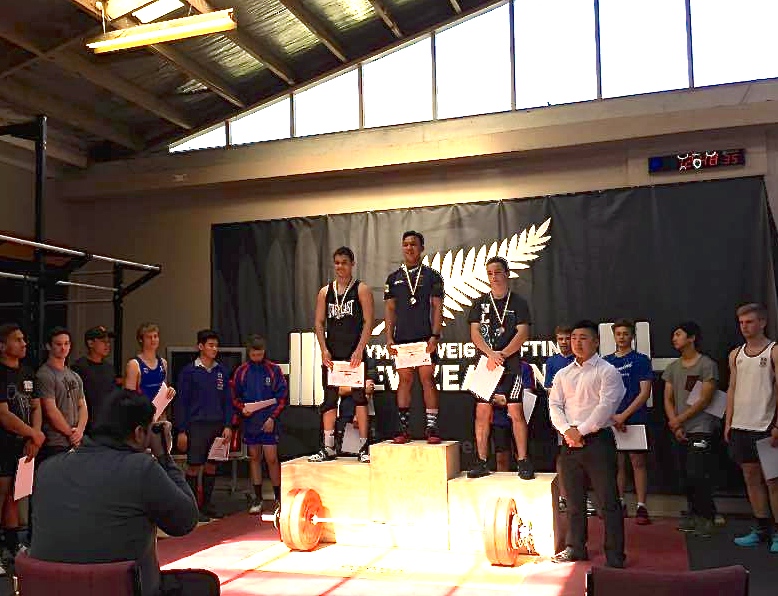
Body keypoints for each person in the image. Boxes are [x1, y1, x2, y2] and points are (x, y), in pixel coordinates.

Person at [30, 390, 219, 596]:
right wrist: (164, 457)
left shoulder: (47, 469)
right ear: (139, 433)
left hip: (51, 587)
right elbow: (185, 520)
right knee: (204, 584)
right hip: (118, 587)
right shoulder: (141, 468)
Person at [549, 320, 625, 568]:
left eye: (583, 338)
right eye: (574, 338)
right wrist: (566, 430)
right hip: (569, 441)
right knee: (573, 500)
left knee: (608, 501)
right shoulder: (563, 373)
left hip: (597, 441)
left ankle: (615, 554)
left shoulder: (607, 371)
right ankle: (575, 547)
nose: (577, 343)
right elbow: (554, 405)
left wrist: (579, 431)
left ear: (596, 342)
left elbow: (606, 408)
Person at [467, 256, 533, 479]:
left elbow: (523, 332)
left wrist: (503, 354)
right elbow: (475, 332)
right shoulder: (479, 303)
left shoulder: (518, 303)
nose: (493, 277)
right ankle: (481, 461)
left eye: (497, 272)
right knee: (482, 413)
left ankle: (523, 460)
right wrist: (490, 354)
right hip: (487, 364)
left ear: (507, 273)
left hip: (510, 364)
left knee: (515, 411)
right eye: (490, 273)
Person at [310, 247, 374, 463]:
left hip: (354, 353)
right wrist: (323, 349)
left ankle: (364, 447)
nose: (340, 267)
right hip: (333, 354)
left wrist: (359, 349)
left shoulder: (361, 289)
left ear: (352, 264)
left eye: (344, 262)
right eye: (337, 262)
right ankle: (328, 447)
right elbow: (319, 322)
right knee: (329, 399)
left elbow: (369, 322)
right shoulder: (325, 292)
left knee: (359, 398)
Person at [725, 303, 778, 551]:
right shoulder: (736, 354)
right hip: (741, 426)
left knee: (773, 481)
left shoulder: (774, 351)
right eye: (741, 323)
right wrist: (729, 422)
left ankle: (777, 532)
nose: (744, 327)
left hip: (766, 425)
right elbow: (732, 388)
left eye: (750, 322)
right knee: (751, 478)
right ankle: (761, 528)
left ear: (762, 323)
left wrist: (777, 424)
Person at [384, 231, 444, 443]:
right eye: (406, 244)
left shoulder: (432, 276)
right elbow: (390, 309)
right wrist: (389, 338)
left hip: (425, 337)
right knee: (404, 381)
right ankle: (403, 429)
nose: (409, 248)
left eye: (413, 244)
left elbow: (437, 307)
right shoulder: (393, 278)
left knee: (428, 380)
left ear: (421, 248)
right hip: (402, 339)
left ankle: (432, 428)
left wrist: (435, 335)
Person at [662, 321, 719, 538]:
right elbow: (667, 398)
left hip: (701, 427)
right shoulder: (673, 368)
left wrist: (680, 420)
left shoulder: (706, 365)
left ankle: (708, 517)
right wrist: (674, 422)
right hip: (679, 429)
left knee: (698, 474)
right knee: (685, 475)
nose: (674, 338)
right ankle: (694, 514)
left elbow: (705, 399)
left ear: (692, 338)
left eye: (679, 334)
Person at [175, 330, 234, 522]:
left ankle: (207, 504)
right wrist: (182, 430)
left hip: (217, 424)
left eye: (216, 345)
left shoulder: (221, 371)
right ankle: (192, 507)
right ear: (200, 346)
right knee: (194, 466)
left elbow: (227, 401)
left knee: (211, 466)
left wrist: (228, 425)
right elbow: (181, 403)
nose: (214, 349)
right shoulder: (189, 372)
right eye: (210, 345)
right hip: (196, 426)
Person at [0, 324, 44, 574]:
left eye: (24, 338)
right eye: (17, 339)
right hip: (3, 445)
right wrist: (33, 433)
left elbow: (36, 407)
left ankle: (12, 545)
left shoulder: (28, 372)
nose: (24, 343)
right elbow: (4, 415)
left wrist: (34, 437)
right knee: (2, 494)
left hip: (25, 445)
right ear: (2, 346)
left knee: (15, 496)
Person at [604, 319, 654, 524]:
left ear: (632, 336)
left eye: (625, 333)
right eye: (618, 334)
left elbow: (644, 393)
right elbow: (603, 393)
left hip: (635, 417)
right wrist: (612, 416)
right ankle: (620, 502)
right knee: (617, 464)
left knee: (637, 462)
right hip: (611, 419)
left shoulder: (641, 360)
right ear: (614, 336)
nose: (622, 337)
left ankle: (641, 506)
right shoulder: (606, 361)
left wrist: (624, 416)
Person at [230, 335, 288, 514]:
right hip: (251, 421)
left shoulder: (273, 370)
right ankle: (257, 498)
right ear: (249, 353)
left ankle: (278, 498)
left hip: (268, 420)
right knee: (254, 457)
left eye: (260, 354)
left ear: (264, 351)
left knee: (272, 458)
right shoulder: (242, 371)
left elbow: (282, 397)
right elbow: (234, 396)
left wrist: (272, 418)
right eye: (254, 354)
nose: (257, 357)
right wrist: (242, 409)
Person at [37, 327, 88, 462]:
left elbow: (82, 406)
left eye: (66, 343)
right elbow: (50, 411)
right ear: (49, 346)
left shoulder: (74, 375)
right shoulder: (45, 374)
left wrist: (79, 431)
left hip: (76, 441)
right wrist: (70, 433)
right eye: (58, 344)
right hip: (55, 442)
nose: (63, 348)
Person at [545, 325, 577, 513]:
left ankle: (582, 496)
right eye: (560, 339)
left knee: (583, 456)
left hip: (581, 417)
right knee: (563, 455)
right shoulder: (552, 362)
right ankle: (564, 496)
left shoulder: (580, 359)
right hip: (561, 417)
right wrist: (558, 418)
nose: (564, 342)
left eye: (567, 338)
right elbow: (551, 392)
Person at [71, 326, 117, 434]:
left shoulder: (109, 368)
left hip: (107, 426)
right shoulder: (79, 367)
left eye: (108, 342)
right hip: (87, 427)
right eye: (103, 341)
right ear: (91, 343)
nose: (107, 345)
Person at [492, 361, 536, 472]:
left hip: (521, 418)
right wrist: (495, 399)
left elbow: (528, 394)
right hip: (499, 419)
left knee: (522, 457)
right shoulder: (491, 367)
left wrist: (507, 400)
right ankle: (502, 482)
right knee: (501, 458)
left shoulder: (524, 367)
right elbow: (483, 395)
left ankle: (524, 476)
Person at [124, 323, 175, 413]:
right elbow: (129, 399)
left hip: (160, 415)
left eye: (155, 336)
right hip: (141, 415)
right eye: (149, 337)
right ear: (141, 340)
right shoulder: (134, 365)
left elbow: (163, 389)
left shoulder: (163, 363)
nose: (153, 340)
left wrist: (170, 391)